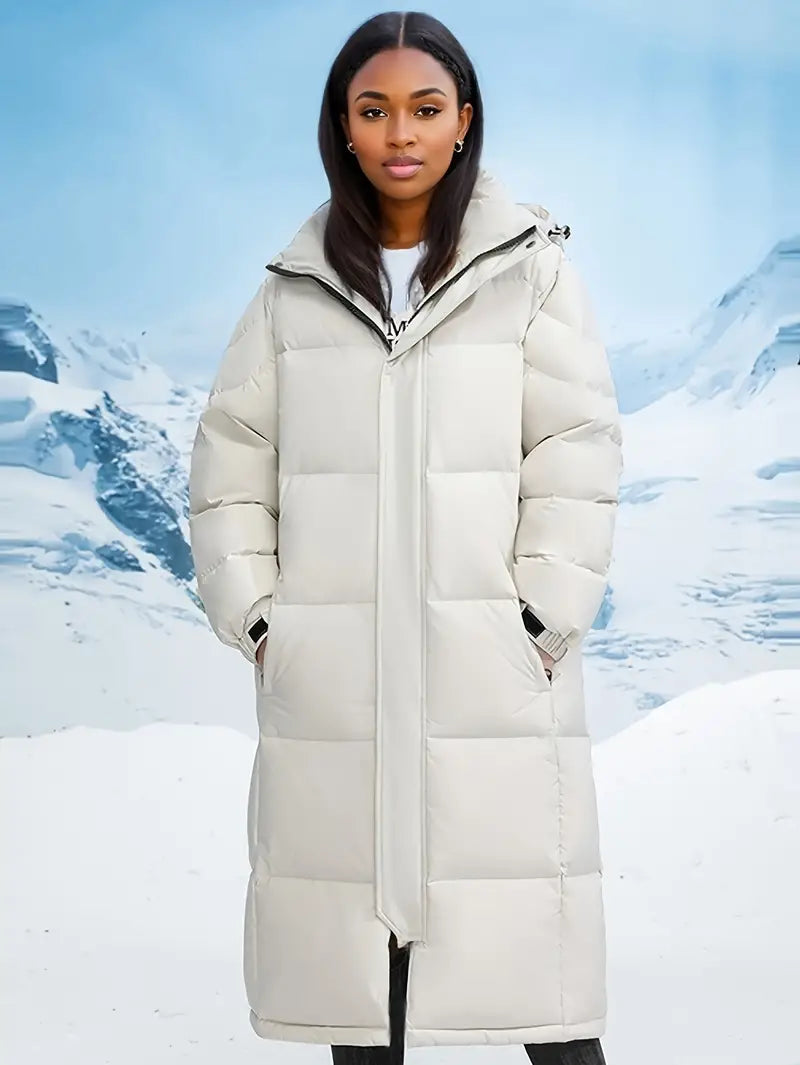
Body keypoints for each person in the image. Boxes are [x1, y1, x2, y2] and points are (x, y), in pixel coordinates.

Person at [188, 10, 623, 1065]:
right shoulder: (291, 292)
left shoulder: (528, 272)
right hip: (335, 682)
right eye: (373, 110)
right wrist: (263, 621)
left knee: (539, 974)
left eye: (424, 109)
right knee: (357, 987)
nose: (399, 134)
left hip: (491, 674)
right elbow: (230, 458)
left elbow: (575, 446)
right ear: (341, 127)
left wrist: (539, 616)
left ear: (463, 120)